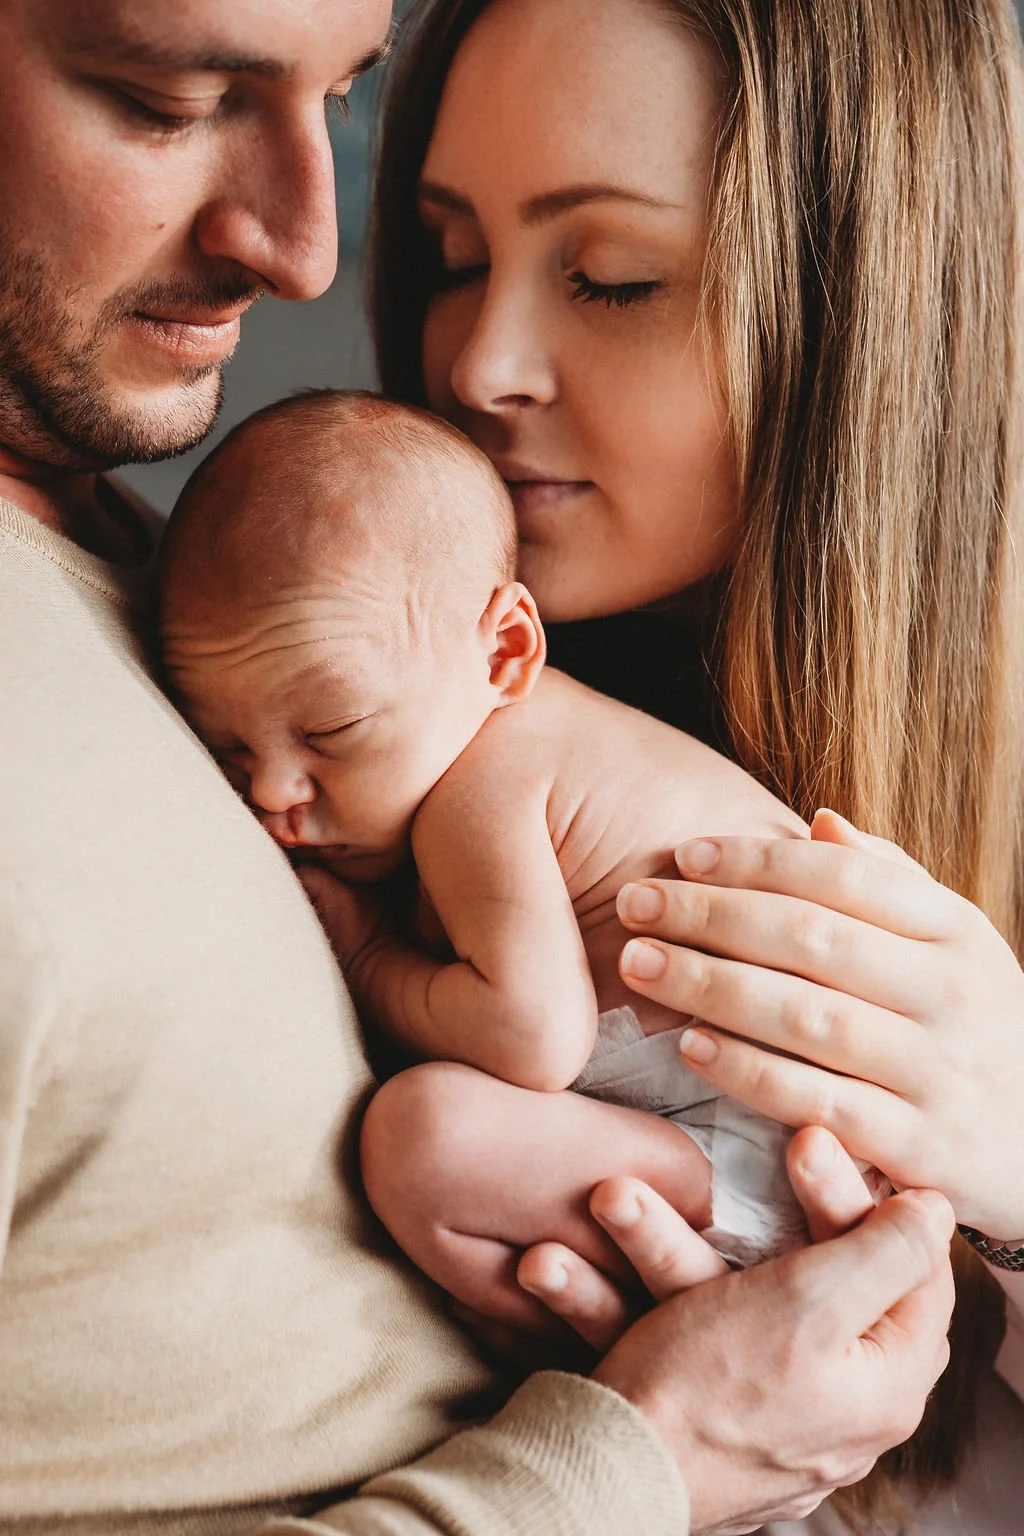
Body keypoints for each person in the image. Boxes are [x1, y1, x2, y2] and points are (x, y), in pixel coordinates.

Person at [0, 0, 957, 1532]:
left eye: (613, 277)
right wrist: (632, 1464)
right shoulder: (290, 627)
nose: (316, 259)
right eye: (170, 99)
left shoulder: (291, 609)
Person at [358, 0, 1024, 1528]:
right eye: (454, 257)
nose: (481, 361)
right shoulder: (379, 731)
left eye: (611, 276)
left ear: (868, 310)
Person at [160, 387, 839, 1310]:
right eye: (231, 747)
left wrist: (366, 958)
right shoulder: (465, 728)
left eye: (333, 727)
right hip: (788, 1125)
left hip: (782, 1159)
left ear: (504, 651)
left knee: (418, 1137)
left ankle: (574, 1332)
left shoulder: (483, 786)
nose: (273, 791)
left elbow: (531, 1036)